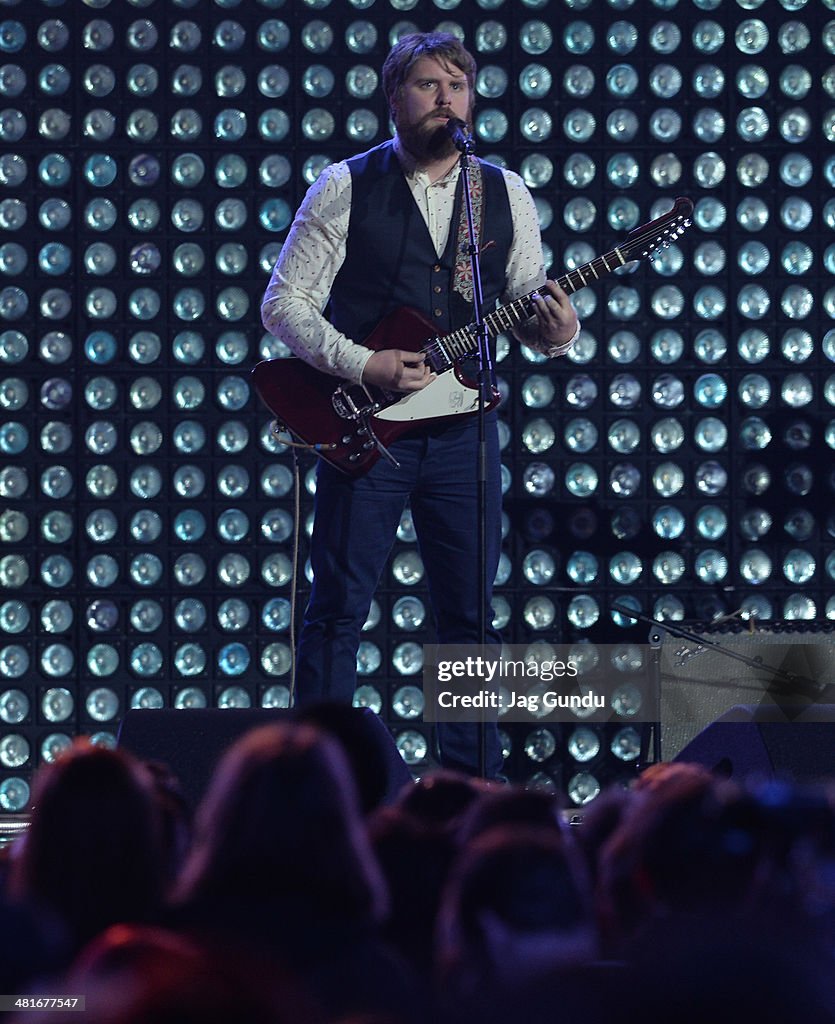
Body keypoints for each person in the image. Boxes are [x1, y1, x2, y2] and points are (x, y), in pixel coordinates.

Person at [260, 31, 580, 779]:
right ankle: (320, 784)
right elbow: (284, 303)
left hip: (464, 436)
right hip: (369, 426)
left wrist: (558, 333)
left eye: (457, 86)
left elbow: (526, 302)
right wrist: (360, 361)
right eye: (429, 85)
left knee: (467, 617)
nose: (445, 99)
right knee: (338, 610)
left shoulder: (503, 192)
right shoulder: (344, 186)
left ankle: (473, 787)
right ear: (393, 98)